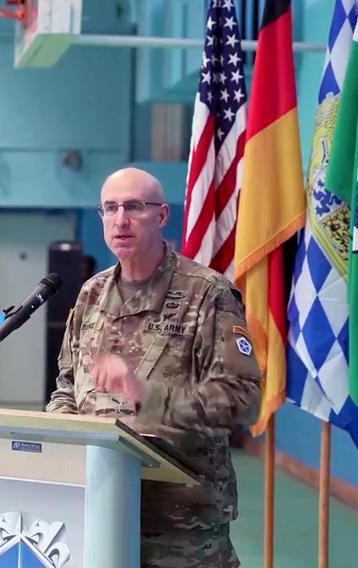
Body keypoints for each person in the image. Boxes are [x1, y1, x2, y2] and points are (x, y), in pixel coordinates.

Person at [45, 168, 261, 568]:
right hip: (99, 507)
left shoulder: (206, 294)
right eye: (109, 208)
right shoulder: (92, 293)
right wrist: (60, 439)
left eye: (134, 207)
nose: (120, 219)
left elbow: (244, 401)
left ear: (162, 216)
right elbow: (66, 388)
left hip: (182, 526)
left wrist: (150, 396)